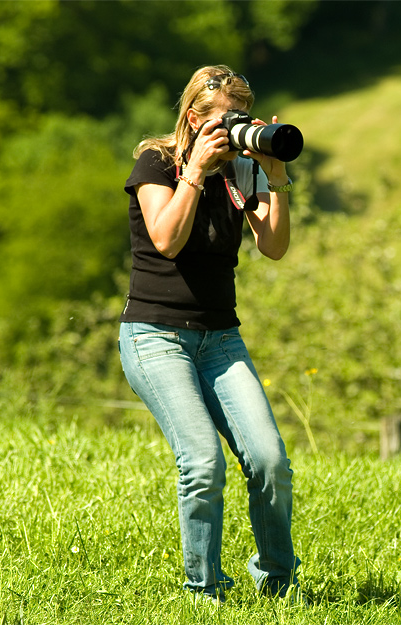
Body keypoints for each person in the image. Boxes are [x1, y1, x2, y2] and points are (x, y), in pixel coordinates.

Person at [118, 65, 299, 602]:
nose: (231, 130)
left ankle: (276, 584)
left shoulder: (243, 171)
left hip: (220, 339)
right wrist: (196, 169)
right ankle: (205, 592)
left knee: (269, 461)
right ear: (193, 118)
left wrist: (273, 173)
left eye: (239, 119)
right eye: (221, 120)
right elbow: (167, 240)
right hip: (155, 337)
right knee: (202, 461)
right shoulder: (157, 160)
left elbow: (274, 246)